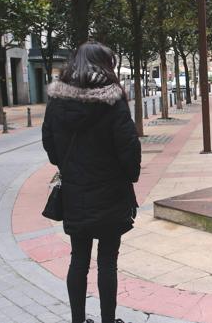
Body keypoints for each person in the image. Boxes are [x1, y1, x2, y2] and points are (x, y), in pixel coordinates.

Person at [42, 41, 141, 323]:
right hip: (111, 192)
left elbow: (48, 142)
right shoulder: (113, 101)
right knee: (108, 261)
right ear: (105, 66)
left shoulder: (57, 102)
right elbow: (129, 148)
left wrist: (67, 166)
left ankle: (78, 320)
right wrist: (130, 175)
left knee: (79, 259)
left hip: (75, 193)